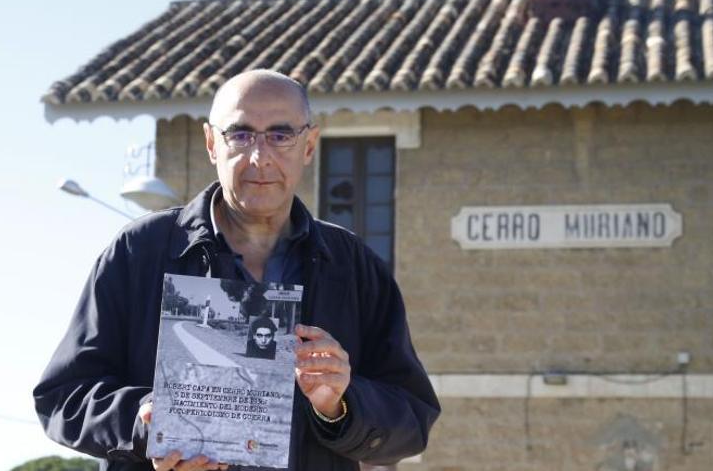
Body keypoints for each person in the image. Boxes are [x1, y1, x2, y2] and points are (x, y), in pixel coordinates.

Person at [33, 69, 440, 471]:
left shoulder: (354, 267)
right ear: (212, 143)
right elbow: (62, 396)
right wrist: (141, 422)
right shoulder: (140, 252)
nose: (259, 157)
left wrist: (341, 404)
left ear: (310, 146)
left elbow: (413, 420)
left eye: (281, 136)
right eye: (240, 134)